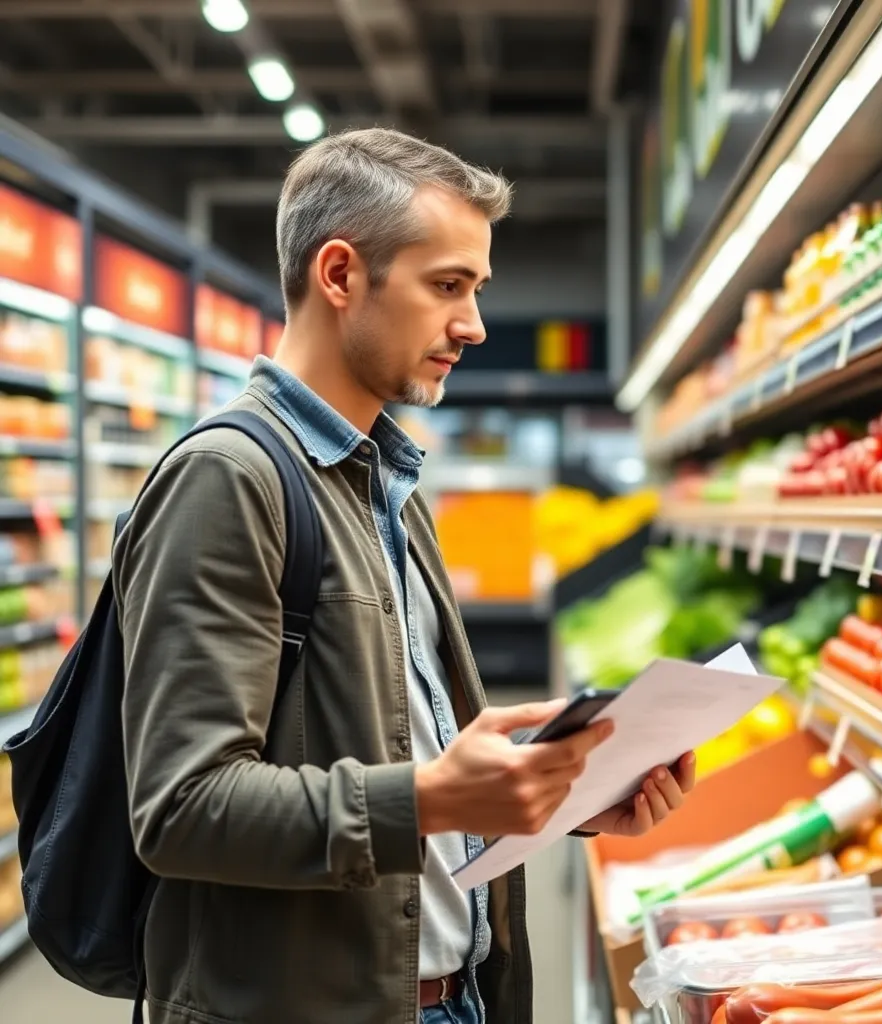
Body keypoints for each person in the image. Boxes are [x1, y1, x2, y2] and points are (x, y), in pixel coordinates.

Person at [113, 127, 696, 1024]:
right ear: (340, 275)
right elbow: (183, 806)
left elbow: (398, 749)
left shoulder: (388, 481)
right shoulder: (228, 478)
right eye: (447, 286)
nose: (474, 325)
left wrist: (557, 792)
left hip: (442, 996)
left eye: (475, 288)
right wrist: (432, 795)